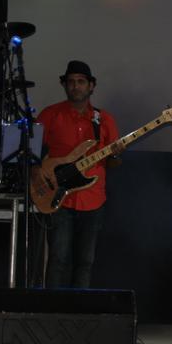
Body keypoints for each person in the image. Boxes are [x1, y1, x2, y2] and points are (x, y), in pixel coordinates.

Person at [36, 60, 123, 288]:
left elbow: (112, 163)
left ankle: (80, 307)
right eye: (71, 82)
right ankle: (53, 307)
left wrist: (115, 155)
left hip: (93, 199)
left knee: (85, 262)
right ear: (65, 85)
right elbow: (31, 152)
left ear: (91, 86)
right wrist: (40, 175)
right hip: (59, 199)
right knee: (58, 259)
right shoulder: (50, 115)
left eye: (81, 82)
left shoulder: (105, 120)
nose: (76, 86)